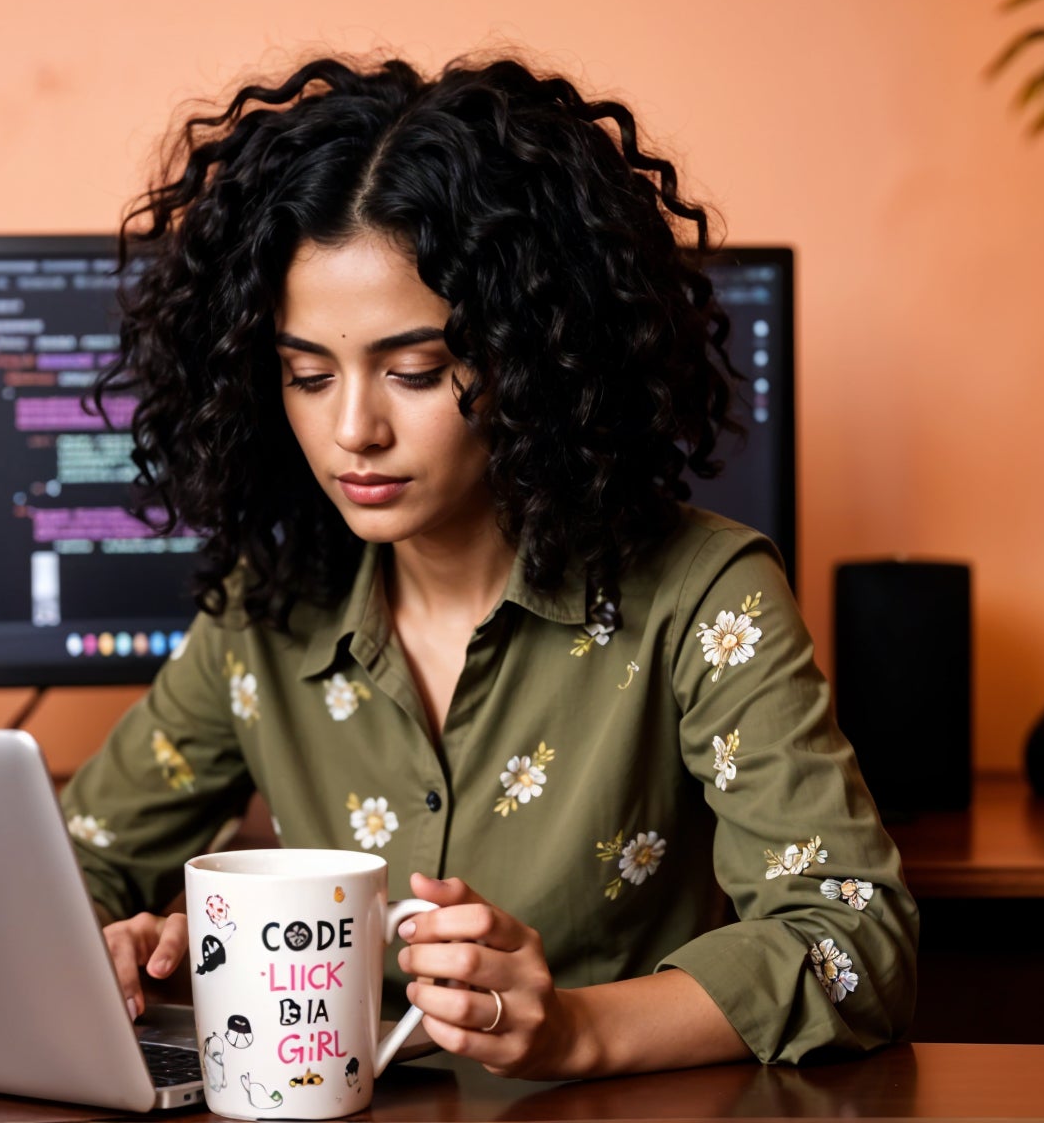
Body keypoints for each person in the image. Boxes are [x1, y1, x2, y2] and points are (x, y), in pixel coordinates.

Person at [61, 54, 916, 1080]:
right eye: (304, 374)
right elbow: (72, 859)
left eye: (414, 371)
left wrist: (575, 1031)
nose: (351, 430)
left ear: (533, 355)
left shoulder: (701, 598)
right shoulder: (264, 616)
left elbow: (850, 937)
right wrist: (102, 940)